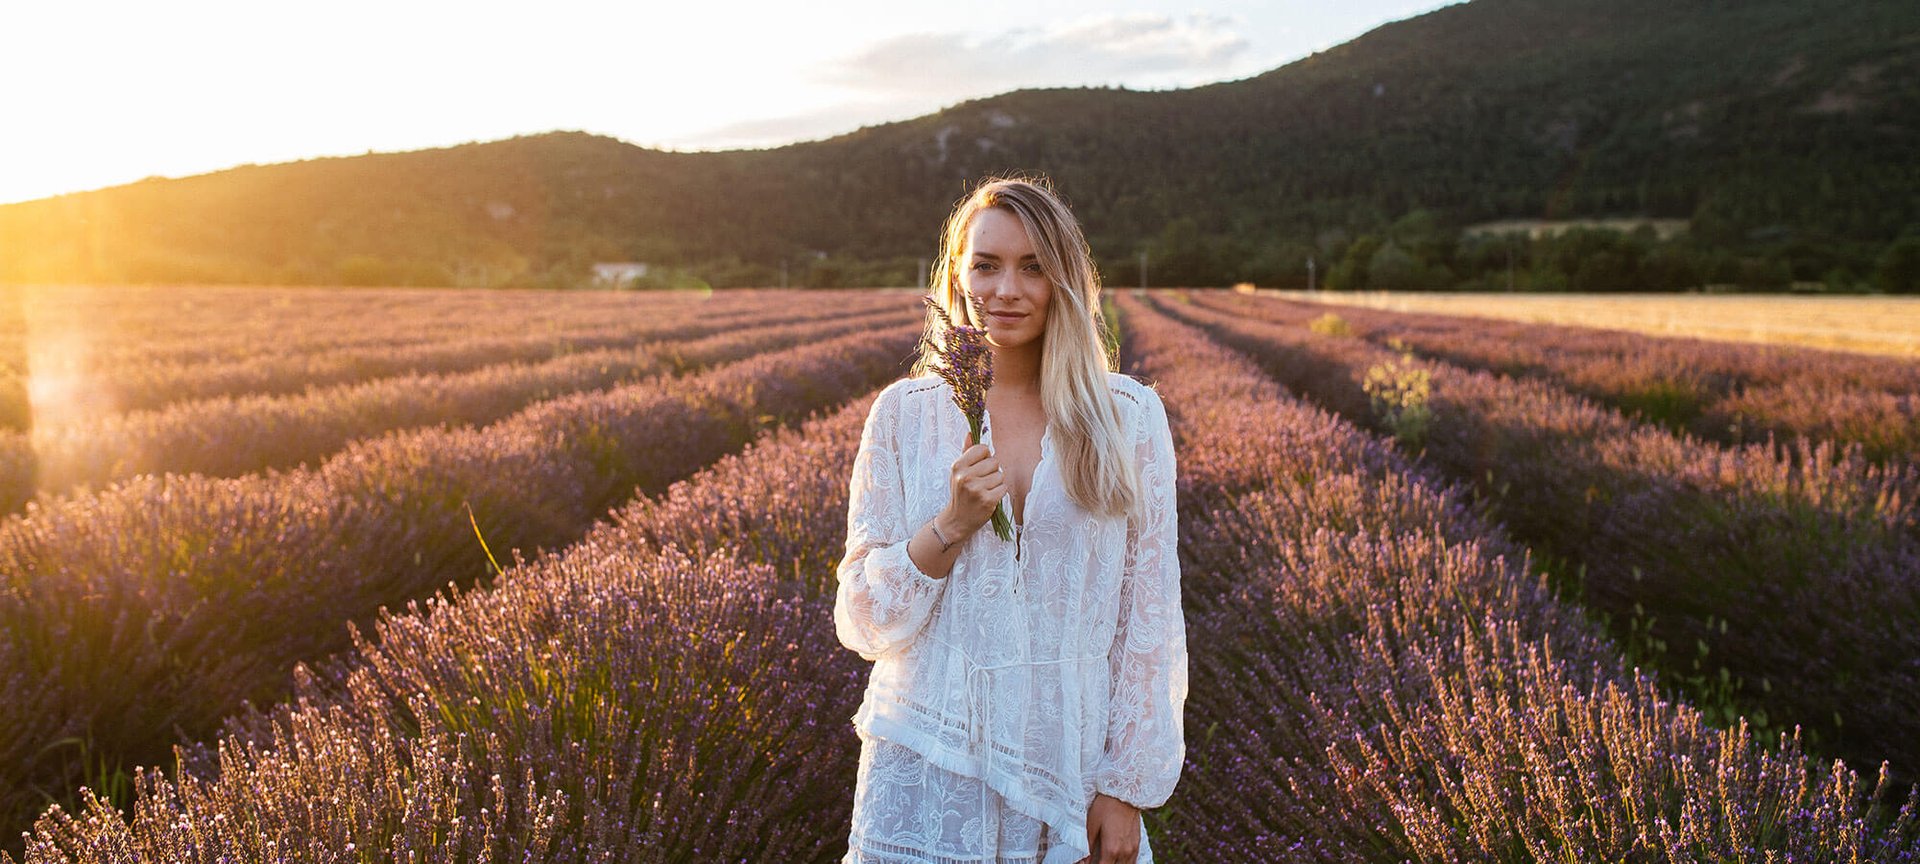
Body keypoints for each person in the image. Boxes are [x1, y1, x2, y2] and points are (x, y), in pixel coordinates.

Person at [833, 175, 1187, 864]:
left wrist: (1125, 788)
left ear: (1064, 281)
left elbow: (1148, 618)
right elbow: (862, 619)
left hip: (1071, 771)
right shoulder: (904, 415)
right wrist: (949, 525)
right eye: (986, 265)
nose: (1005, 290)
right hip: (930, 766)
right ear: (958, 275)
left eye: (1033, 268)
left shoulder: (1128, 417)